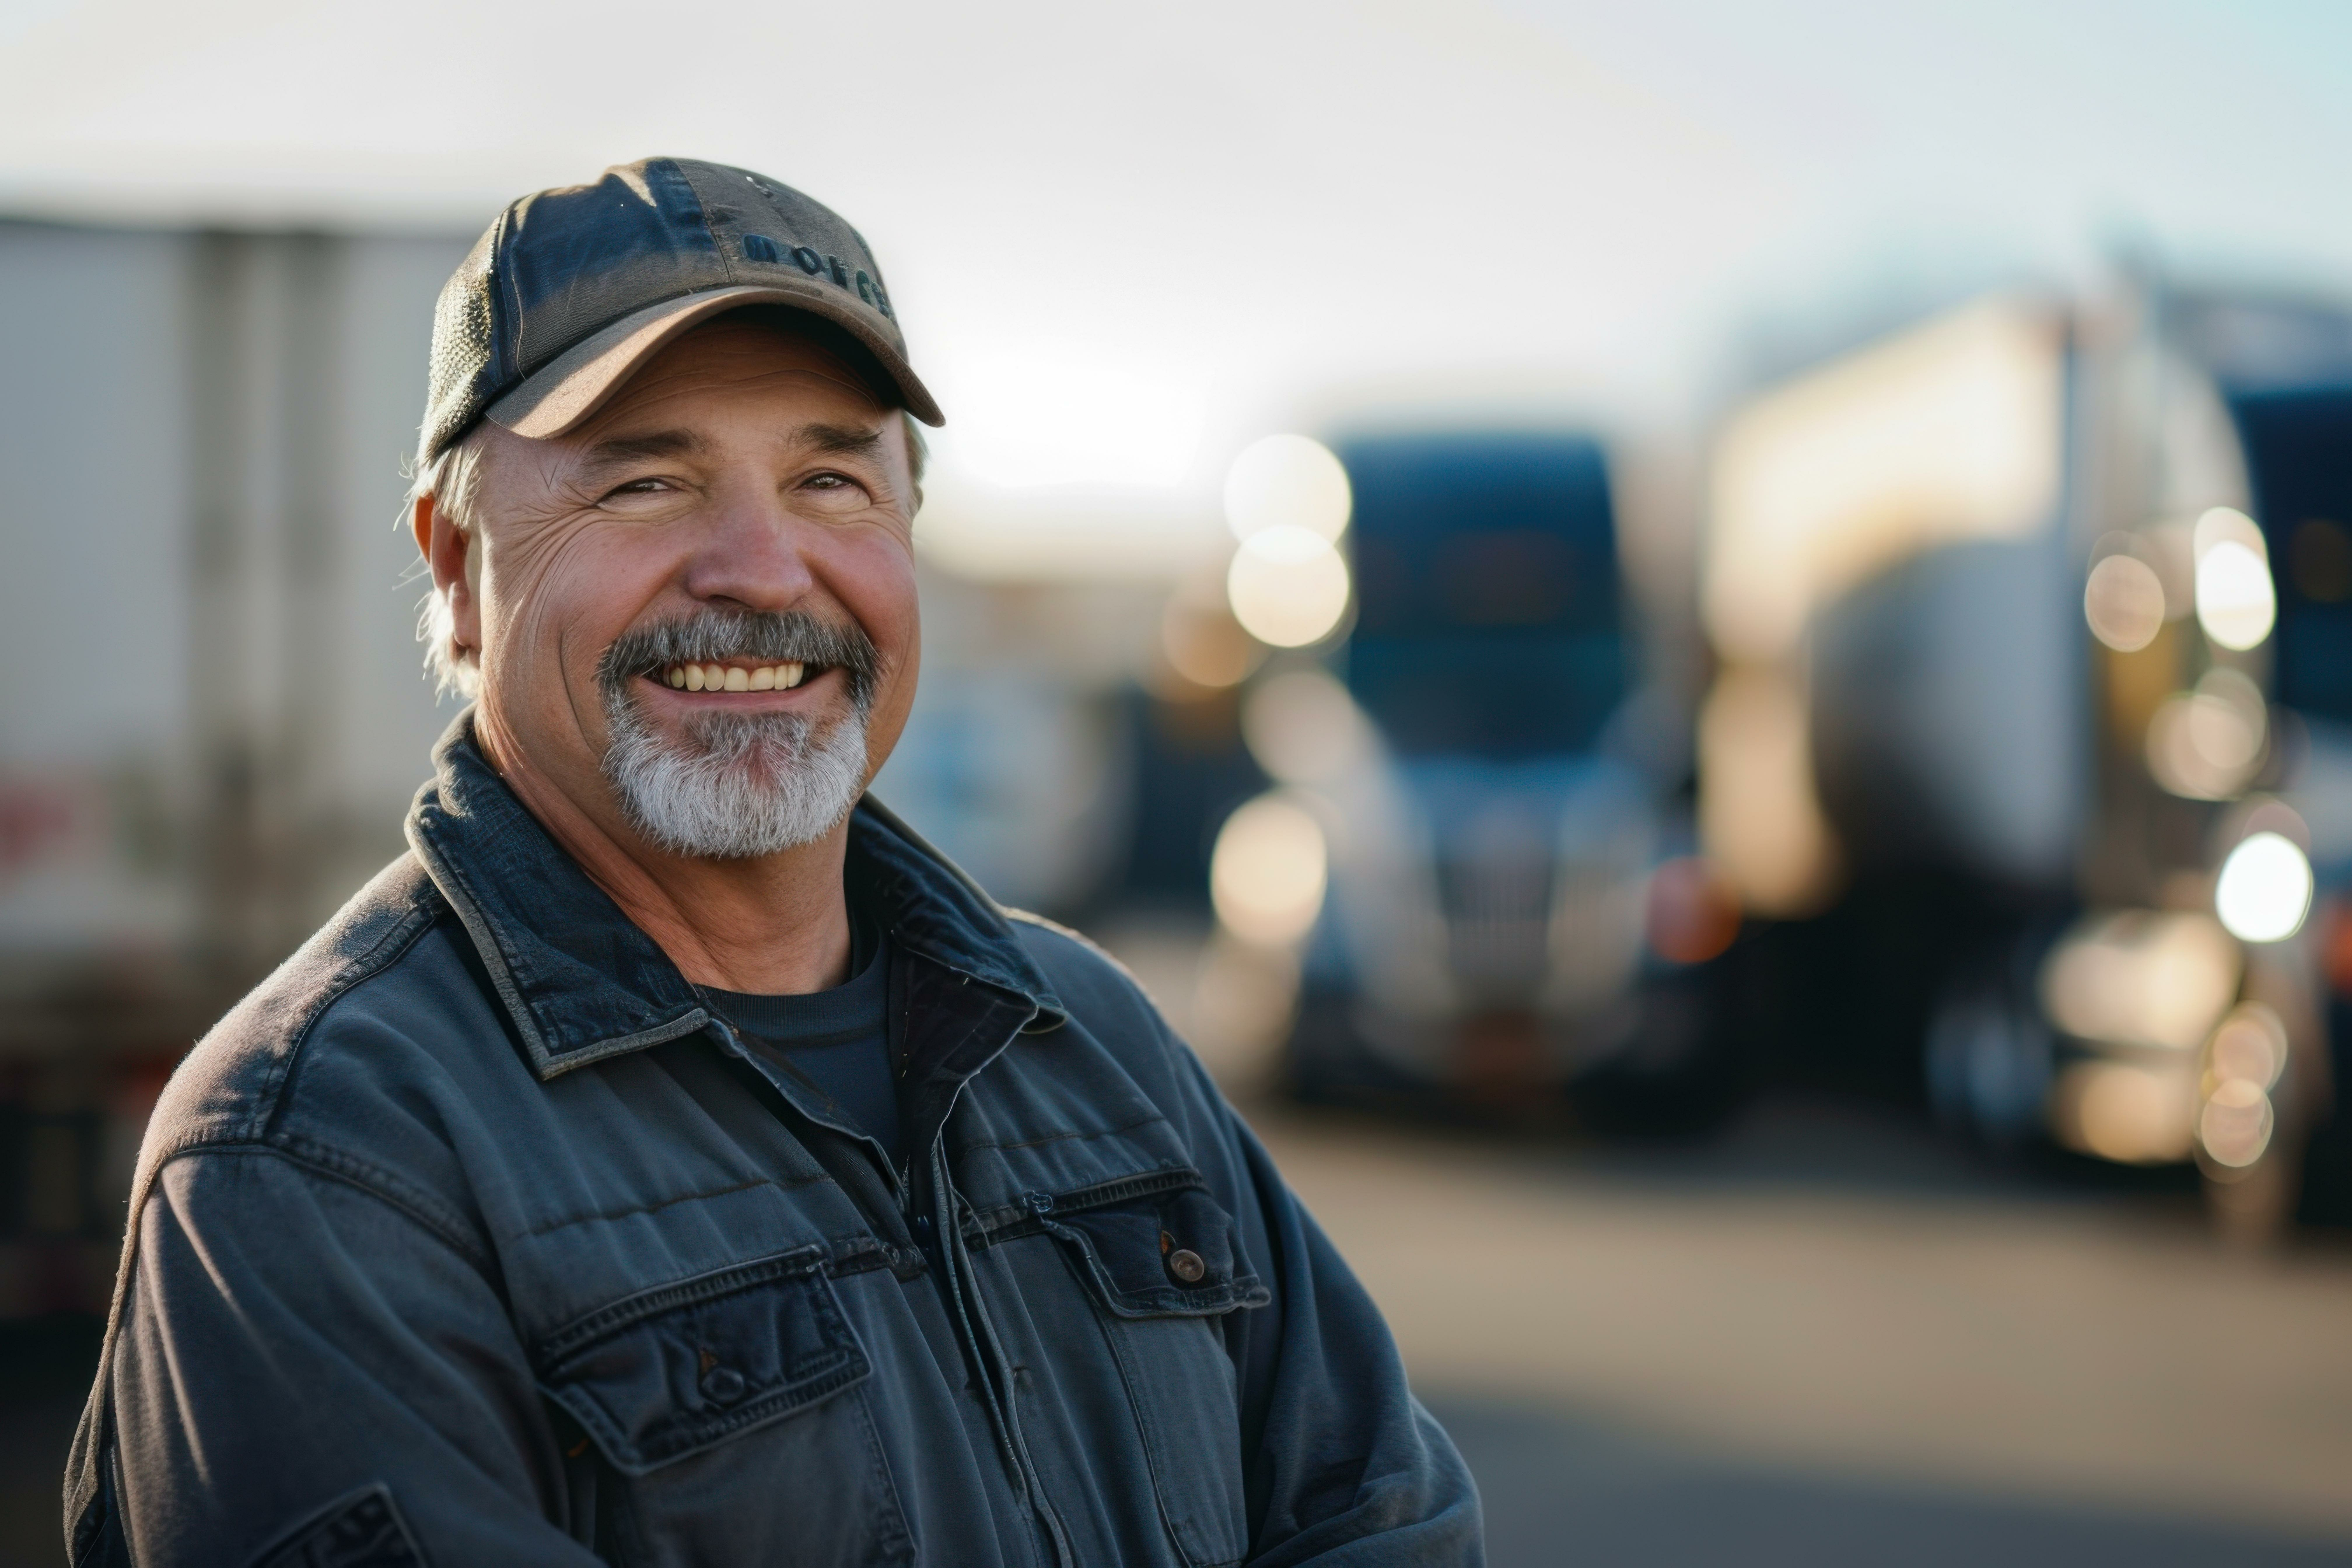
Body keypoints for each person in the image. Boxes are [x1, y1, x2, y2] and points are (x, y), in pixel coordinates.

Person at [63, 157, 1480, 1567]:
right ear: (456, 568)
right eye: (643, 484)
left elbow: (1386, 1520)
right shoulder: (320, 1161)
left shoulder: (1089, 1035)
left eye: (829, 479)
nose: (760, 567)